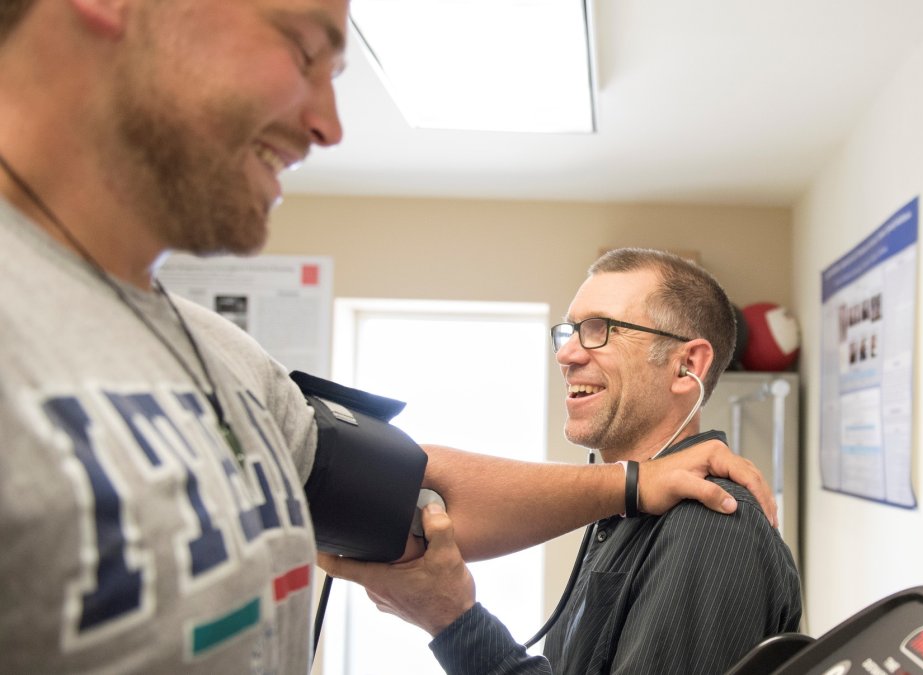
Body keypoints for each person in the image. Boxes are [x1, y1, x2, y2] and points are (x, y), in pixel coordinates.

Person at [0, 1, 778, 672]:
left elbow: (413, 488)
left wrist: (632, 485)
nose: (329, 126)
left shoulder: (230, 362)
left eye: (601, 329)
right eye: (301, 47)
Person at [322, 248, 803, 674]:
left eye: (600, 330)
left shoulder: (710, 520)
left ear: (687, 366)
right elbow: (433, 474)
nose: (567, 354)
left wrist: (452, 620)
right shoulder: (623, 511)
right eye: (570, 331)